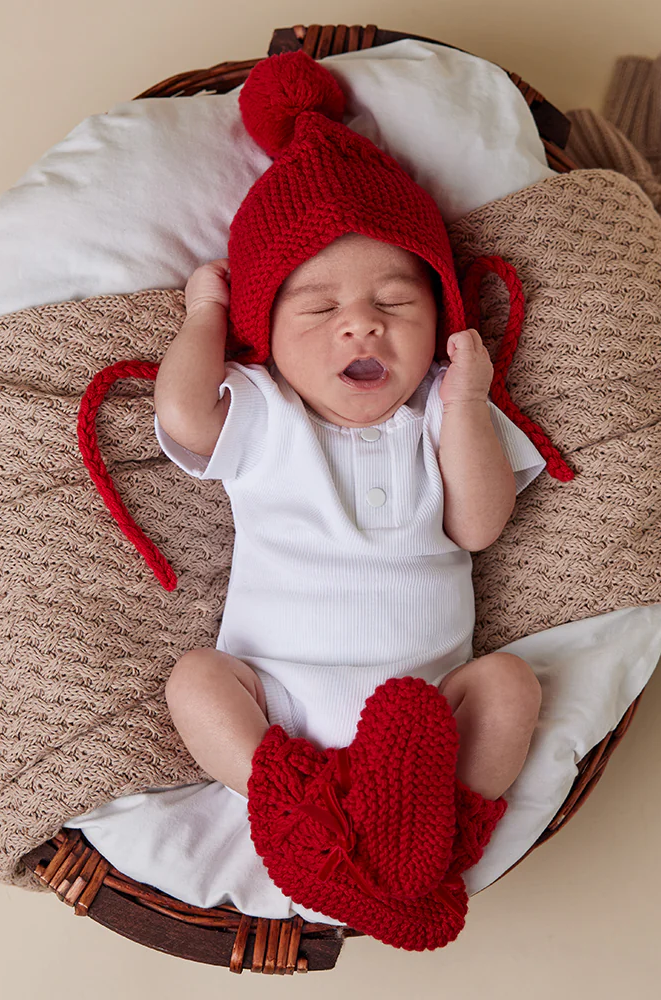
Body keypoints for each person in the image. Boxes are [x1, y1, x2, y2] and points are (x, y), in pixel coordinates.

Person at [139, 50, 565, 951]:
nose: (360, 323)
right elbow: (181, 406)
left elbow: (479, 523)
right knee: (197, 683)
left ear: (440, 323)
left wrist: (466, 401)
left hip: (425, 727)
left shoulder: (436, 422)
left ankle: (437, 838)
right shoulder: (264, 416)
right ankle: (296, 810)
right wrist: (204, 317)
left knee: (510, 686)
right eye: (319, 307)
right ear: (267, 340)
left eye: (394, 302)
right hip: (281, 704)